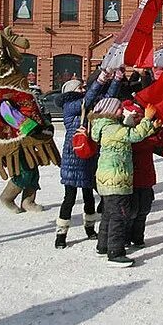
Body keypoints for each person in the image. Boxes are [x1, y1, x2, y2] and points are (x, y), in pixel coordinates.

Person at [0, 26, 60, 213]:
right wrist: (32, 128)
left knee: (33, 168)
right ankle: (7, 197)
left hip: (28, 138)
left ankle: (28, 201)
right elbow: (8, 114)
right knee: (23, 171)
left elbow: (31, 109)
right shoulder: (4, 96)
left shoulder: (19, 93)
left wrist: (44, 123)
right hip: (16, 139)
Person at [90, 98, 160, 268]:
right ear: (110, 111)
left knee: (108, 214)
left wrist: (131, 121)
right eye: (119, 108)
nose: (122, 110)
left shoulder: (102, 126)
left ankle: (103, 246)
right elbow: (134, 135)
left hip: (106, 178)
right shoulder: (113, 129)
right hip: (117, 179)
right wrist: (147, 119)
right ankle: (115, 253)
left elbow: (124, 130)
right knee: (119, 217)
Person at [55, 69, 119, 249]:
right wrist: (99, 80)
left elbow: (107, 99)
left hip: (89, 155)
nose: (83, 88)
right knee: (70, 196)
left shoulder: (87, 105)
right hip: (73, 157)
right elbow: (88, 99)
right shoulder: (71, 106)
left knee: (89, 195)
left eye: (84, 87)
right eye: (80, 87)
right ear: (71, 91)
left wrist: (116, 80)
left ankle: (90, 229)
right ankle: (61, 234)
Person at [128, 122, 163, 249]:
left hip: (146, 177)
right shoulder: (128, 133)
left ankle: (137, 238)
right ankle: (126, 237)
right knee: (131, 211)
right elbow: (143, 142)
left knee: (143, 210)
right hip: (129, 179)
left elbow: (161, 140)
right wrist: (152, 130)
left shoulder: (148, 134)